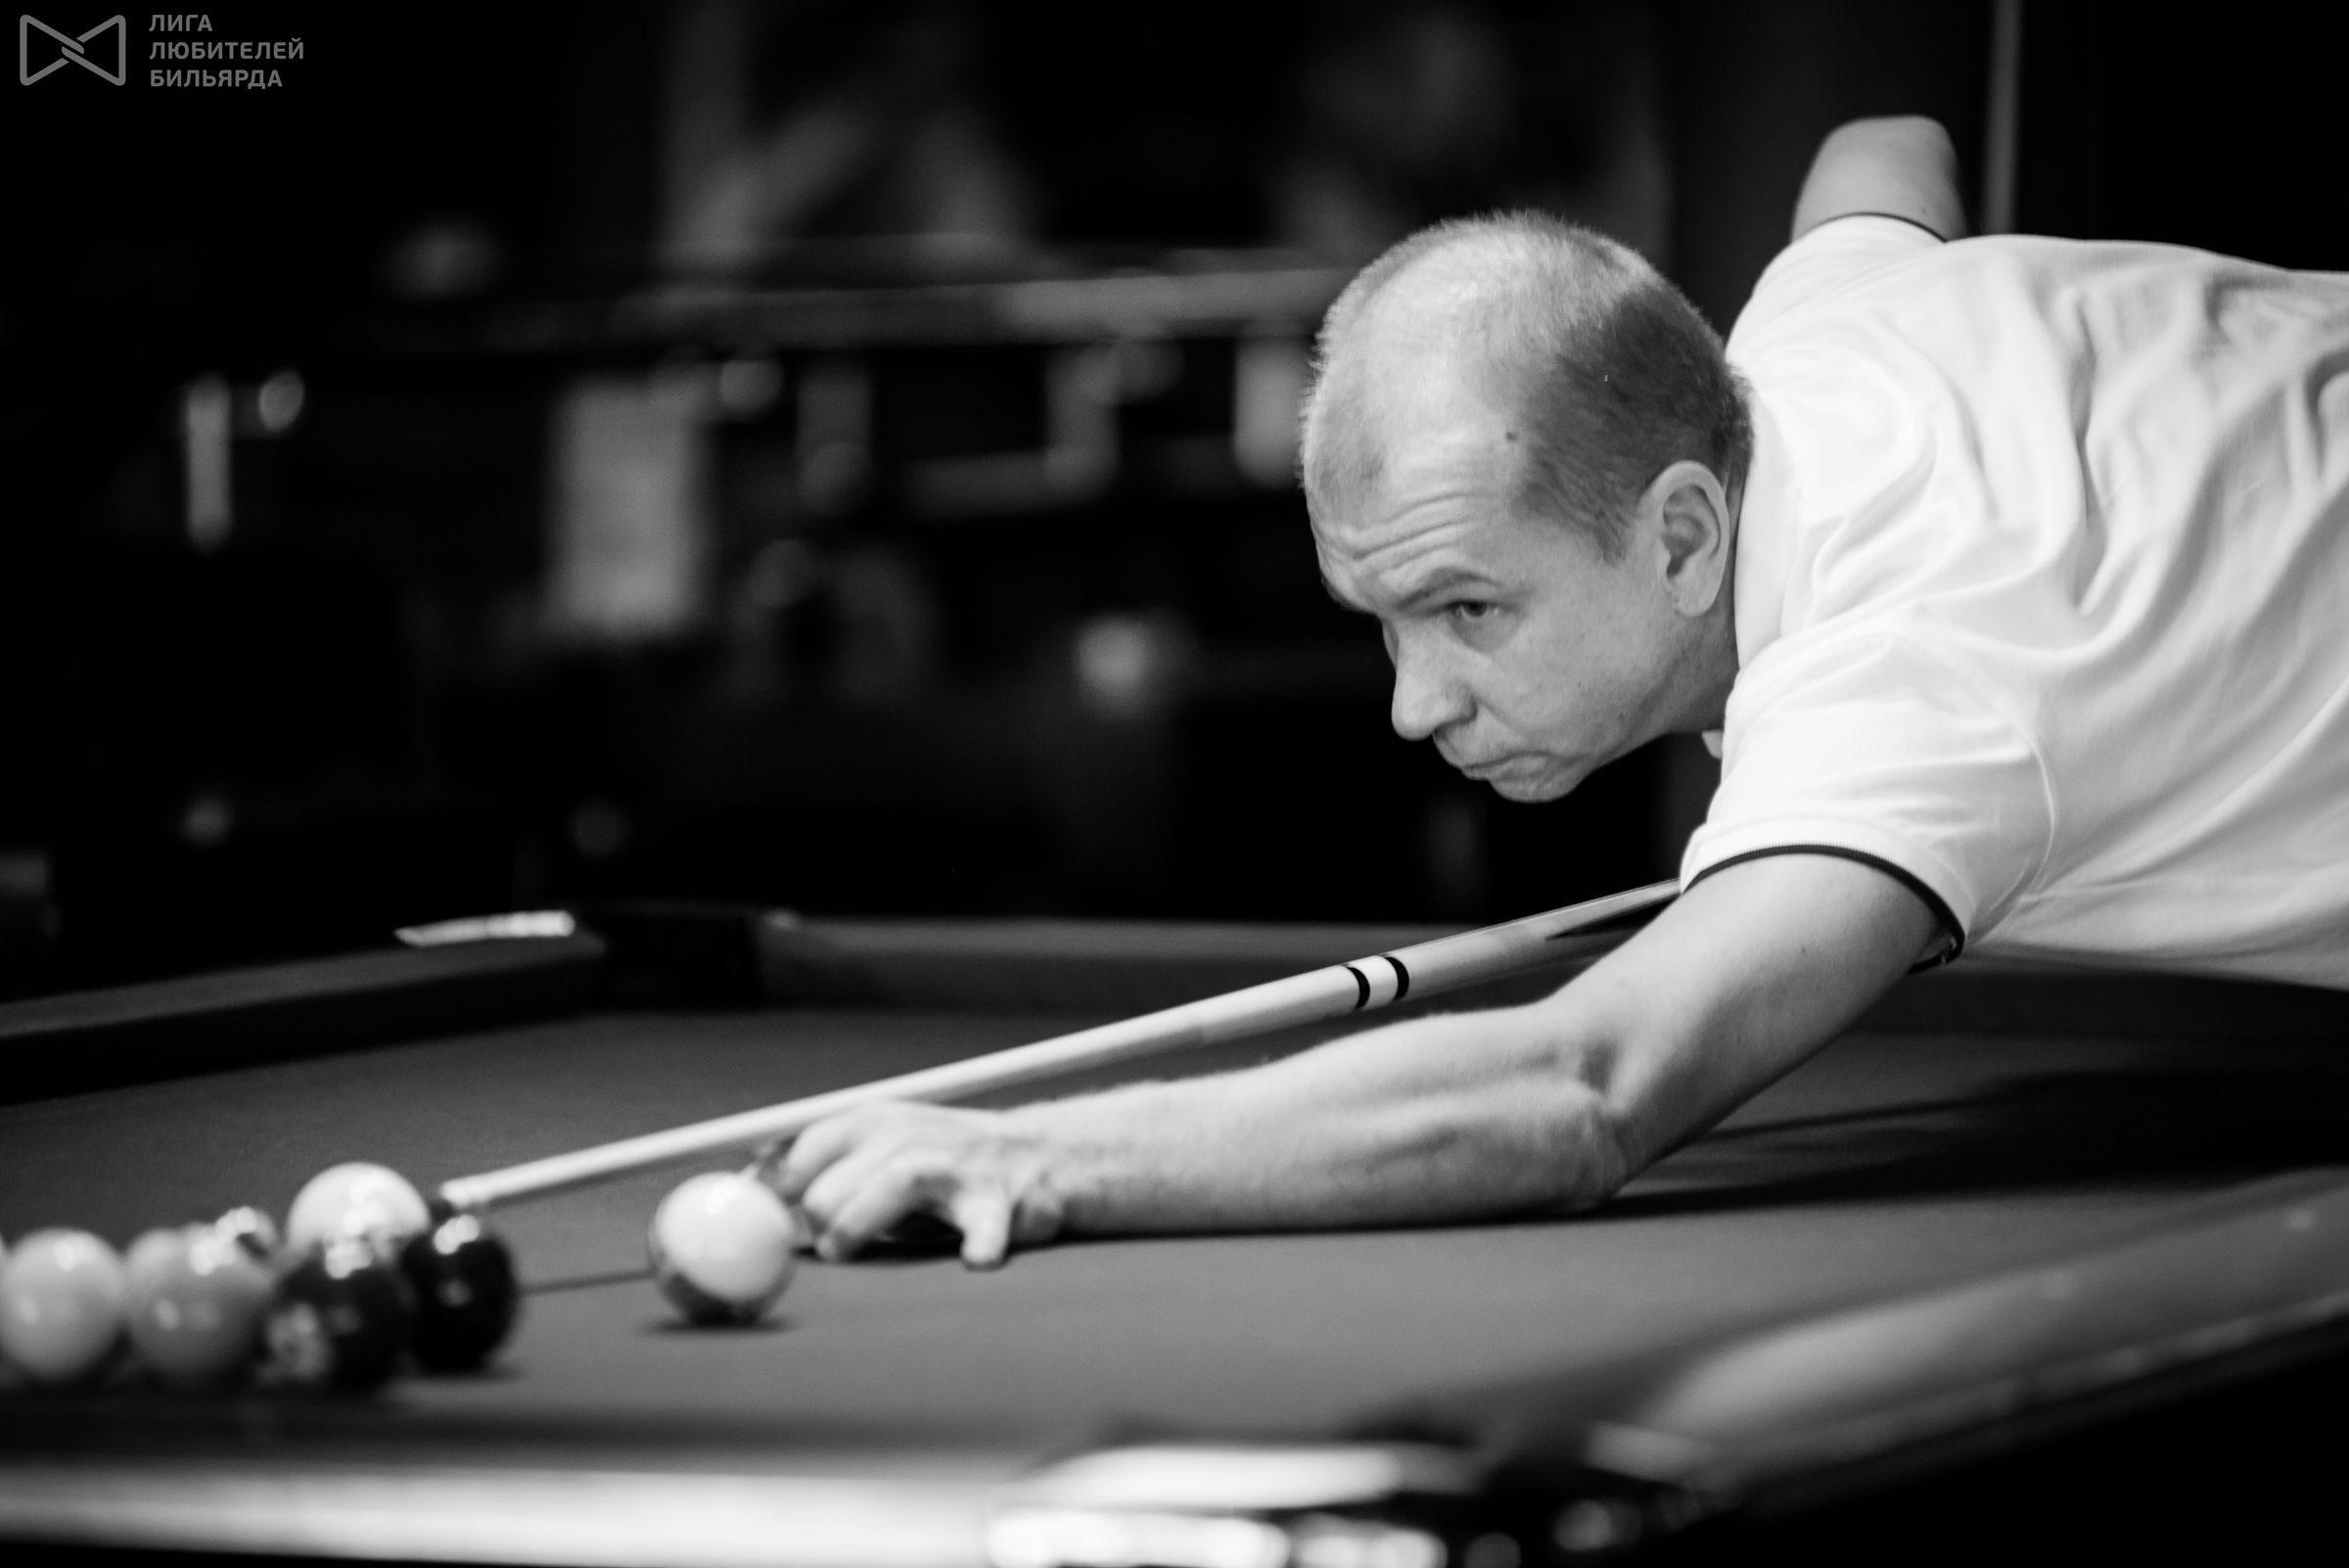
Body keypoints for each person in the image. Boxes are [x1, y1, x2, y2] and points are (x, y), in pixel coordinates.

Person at [776, 116, 2349, 1268]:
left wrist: (1037, 1155)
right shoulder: (1812, 335)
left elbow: (1583, 1088)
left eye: (1470, 608)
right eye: (1385, 623)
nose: (1416, 707)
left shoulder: (1911, 675)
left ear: (1685, 534)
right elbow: (1885, 150)